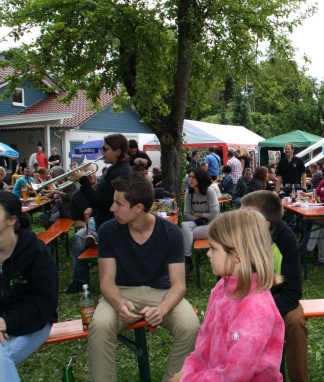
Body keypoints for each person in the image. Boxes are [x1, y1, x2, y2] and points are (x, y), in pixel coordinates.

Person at [88, 173, 199, 382]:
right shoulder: (108, 230)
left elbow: (179, 285)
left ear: (138, 207)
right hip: (120, 292)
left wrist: (161, 310)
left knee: (190, 326)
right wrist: (119, 304)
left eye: (118, 204)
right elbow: (106, 281)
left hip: (162, 293)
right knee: (100, 326)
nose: (111, 208)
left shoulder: (171, 233)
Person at [170, 210, 284, 382]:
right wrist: (188, 371)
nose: (208, 253)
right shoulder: (222, 287)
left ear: (237, 255)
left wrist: (187, 380)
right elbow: (204, 339)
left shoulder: (255, 310)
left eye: (214, 248)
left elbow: (235, 375)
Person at [241, 191, 308, 382]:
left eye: (246, 215)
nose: (239, 218)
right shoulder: (236, 235)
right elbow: (225, 284)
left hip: (278, 300)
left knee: (295, 324)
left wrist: (269, 314)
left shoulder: (285, 238)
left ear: (265, 224)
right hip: (245, 300)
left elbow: (293, 291)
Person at [0, 191, 58, 382]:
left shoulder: (35, 252)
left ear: (11, 220)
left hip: (35, 322)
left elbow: (45, 305)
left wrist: (7, 322)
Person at [69, 133, 132, 229]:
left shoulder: (118, 172)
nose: (101, 152)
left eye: (105, 149)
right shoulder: (116, 168)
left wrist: (82, 179)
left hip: (110, 226)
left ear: (117, 152)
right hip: (107, 223)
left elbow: (96, 202)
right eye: (101, 149)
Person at [64, 163, 98, 294]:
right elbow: (75, 222)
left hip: (106, 225)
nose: (90, 176)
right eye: (86, 175)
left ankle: (94, 236)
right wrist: (86, 223)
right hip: (88, 227)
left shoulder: (103, 189)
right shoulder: (76, 196)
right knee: (79, 236)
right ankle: (79, 280)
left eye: (91, 173)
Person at [180, 168, 220, 277]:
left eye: (193, 177)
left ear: (200, 179)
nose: (190, 179)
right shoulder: (189, 193)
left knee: (187, 233)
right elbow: (187, 214)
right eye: (190, 177)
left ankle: (187, 263)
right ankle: (188, 259)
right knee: (184, 225)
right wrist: (199, 219)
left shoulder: (209, 192)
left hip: (213, 225)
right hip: (197, 222)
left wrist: (200, 215)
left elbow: (215, 215)